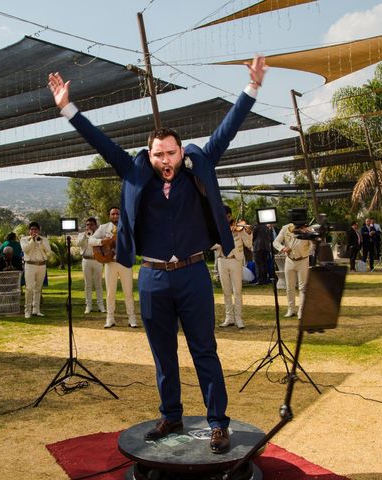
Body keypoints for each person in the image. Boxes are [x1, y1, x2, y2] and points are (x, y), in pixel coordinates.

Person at [48, 54, 267, 454]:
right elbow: (100, 141)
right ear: (149, 156)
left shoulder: (198, 165)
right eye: (158, 154)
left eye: (171, 153)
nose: (166, 160)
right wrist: (68, 108)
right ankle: (171, 414)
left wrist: (251, 88)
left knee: (205, 350)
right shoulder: (134, 173)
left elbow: (227, 129)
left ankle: (218, 422)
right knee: (162, 353)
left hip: (193, 274)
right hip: (152, 278)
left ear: (181, 152)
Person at [88, 207, 137, 328]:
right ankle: (110, 319)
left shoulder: (128, 226)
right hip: (110, 263)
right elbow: (91, 240)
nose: (115, 216)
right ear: (110, 216)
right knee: (110, 293)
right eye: (113, 214)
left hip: (125, 263)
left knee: (128, 292)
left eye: (117, 214)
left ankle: (132, 319)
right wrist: (103, 242)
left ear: (121, 215)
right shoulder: (104, 227)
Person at [214, 206, 253, 329]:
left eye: (226, 216)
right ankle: (229, 318)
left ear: (230, 216)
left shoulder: (239, 229)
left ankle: (239, 318)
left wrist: (248, 232)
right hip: (222, 260)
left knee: (237, 291)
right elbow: (210, 245)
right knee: (226, 291)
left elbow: (249, 244)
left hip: (235, 260)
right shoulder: (217, 228)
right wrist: (220, 242)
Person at [273, 221, 312, 318]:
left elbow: (312, 246)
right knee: (289, 287)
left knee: (302, 287)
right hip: (289, 260)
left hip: (303, 260)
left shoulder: (308, 229)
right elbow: (275, 242)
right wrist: (282, 248)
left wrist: (309, 239)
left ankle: (301, 311)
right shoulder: (286, 227)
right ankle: (291, 309)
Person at [20, 221, 51, 318]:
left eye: (36, 229)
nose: (34, 231)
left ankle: (36, 310)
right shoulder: (24, 239)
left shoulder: (44, 239)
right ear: (29, 231)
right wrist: (33, 240)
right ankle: (27, 311)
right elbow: (25, 249)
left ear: (39, 230)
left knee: (38, 288)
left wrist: (40, 242)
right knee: (29, 288)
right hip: (30, 265)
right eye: (32, 229)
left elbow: (48, 251)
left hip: (42, 265)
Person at [76, 216, 106, 314]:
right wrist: (85, 235)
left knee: (98, 284)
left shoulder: (99, 234)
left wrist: (94, 235)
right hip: (86, 260)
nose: (89, 226)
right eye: (87, 225)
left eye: (91, 225)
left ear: (95, 225)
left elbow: (103, 245)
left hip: (97, 260)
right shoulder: (82, 234)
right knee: (87, 284)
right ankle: (88, 306)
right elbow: (78, 244)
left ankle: (100, 305)